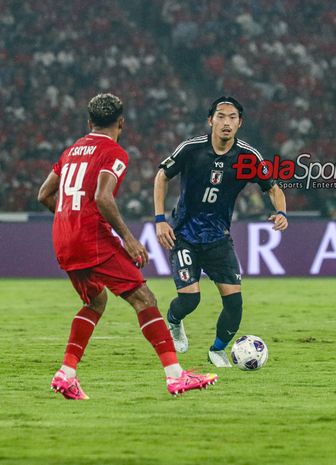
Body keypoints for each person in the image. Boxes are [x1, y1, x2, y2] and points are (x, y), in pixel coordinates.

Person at [37, 93, 217, 399]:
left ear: (88, 122)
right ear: (121, 122)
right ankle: (176, 376)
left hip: (63, 237)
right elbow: (103, 197)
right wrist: (129, 240)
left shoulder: (71, 151)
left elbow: (43, 195)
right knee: (144, 298)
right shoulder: (114, 152)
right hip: (92, 238)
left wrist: (71, 219)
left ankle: (66, 373)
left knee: (95, 302)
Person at [153, 96, 288, 368]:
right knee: (190, 299)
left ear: (240, 123)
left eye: (232, 117)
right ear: (211, 120)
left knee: (235, 303)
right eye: (221, 116)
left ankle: (217, 350)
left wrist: (282, 212)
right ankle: (174, 320)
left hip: (217, 239)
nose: (226, 122)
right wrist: (159, 219)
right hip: (184, 235)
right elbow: (161, 176)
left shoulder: (248, 156)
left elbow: (272, 187)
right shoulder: (191, 149)